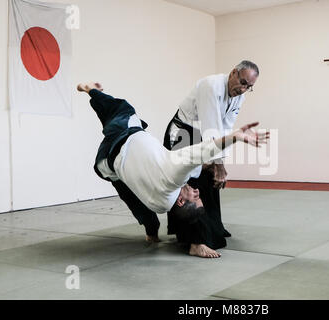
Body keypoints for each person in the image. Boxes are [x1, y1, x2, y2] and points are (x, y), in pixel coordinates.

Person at [78, 82, 269, 258]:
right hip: (107, 166)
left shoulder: (172, 176)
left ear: (180, 200)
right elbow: (192, 171)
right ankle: (151, 232)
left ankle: (91, 90)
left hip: (122, 135)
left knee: (120, 108)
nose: (197, 190)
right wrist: (209, 166)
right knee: (133, 199)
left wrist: (234, 137)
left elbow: (200, 152)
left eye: (195, 196)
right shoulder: (160, 205)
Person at [163, 60, 259, 250]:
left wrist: (220, 165)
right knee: (189, 185)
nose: (243, 89)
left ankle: (214, 227)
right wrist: (219, 164)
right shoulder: (211, 86)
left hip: (204, 137)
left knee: (211, 181)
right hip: (183, 134)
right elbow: (211, 127)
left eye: (249, 87)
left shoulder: (239, 96)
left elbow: (227, 129)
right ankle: (194, 240)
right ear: (233, 73)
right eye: (242, 82)